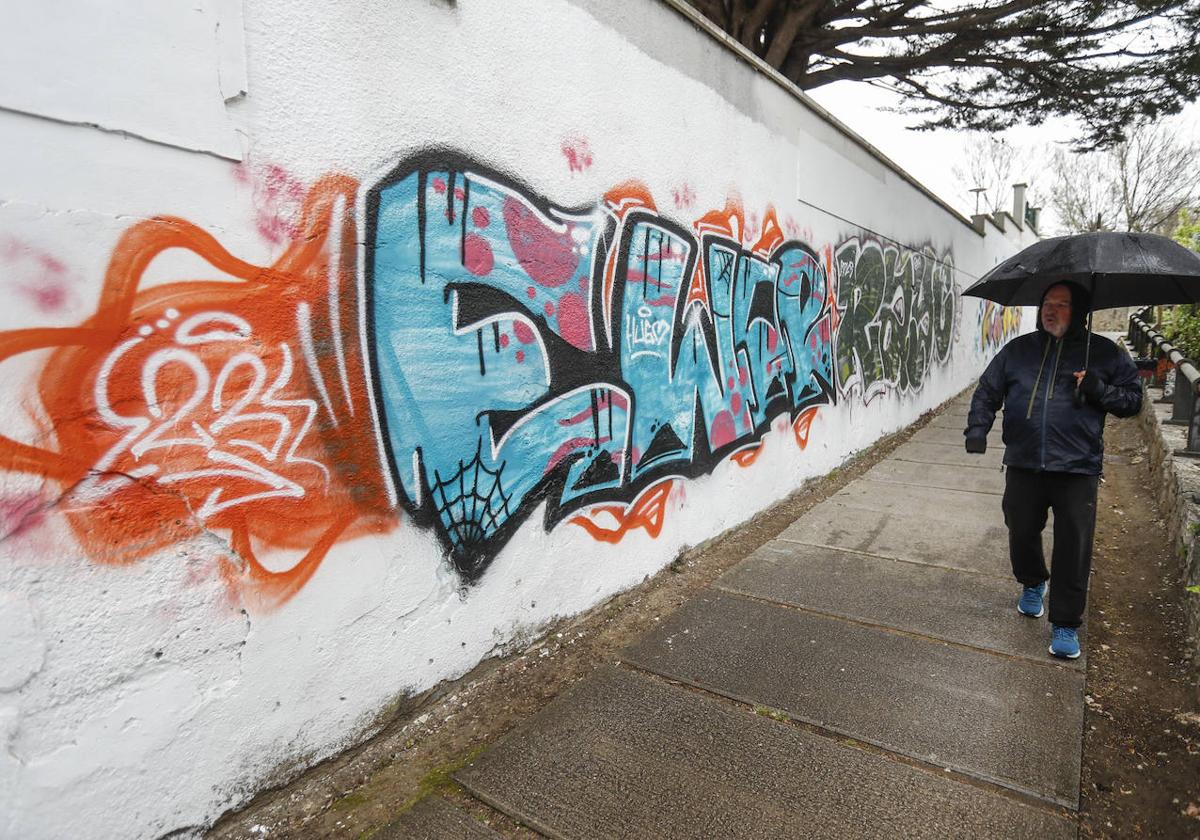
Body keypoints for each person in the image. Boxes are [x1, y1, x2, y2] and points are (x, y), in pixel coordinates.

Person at [964, 282, 1142, 659]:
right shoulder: (1019, 350)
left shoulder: (1105, 354)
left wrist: (1099, 390)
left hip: (1078, 468)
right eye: (1047, 303)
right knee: (1020, 528)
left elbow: (1133, 401)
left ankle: (1065, 623)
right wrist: (977, 429)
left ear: (1078, 312)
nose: (1051, 310)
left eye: (1062, 305)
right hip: (1024, 462)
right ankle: (1032, 582)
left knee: (1073, 547)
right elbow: (988, 390)